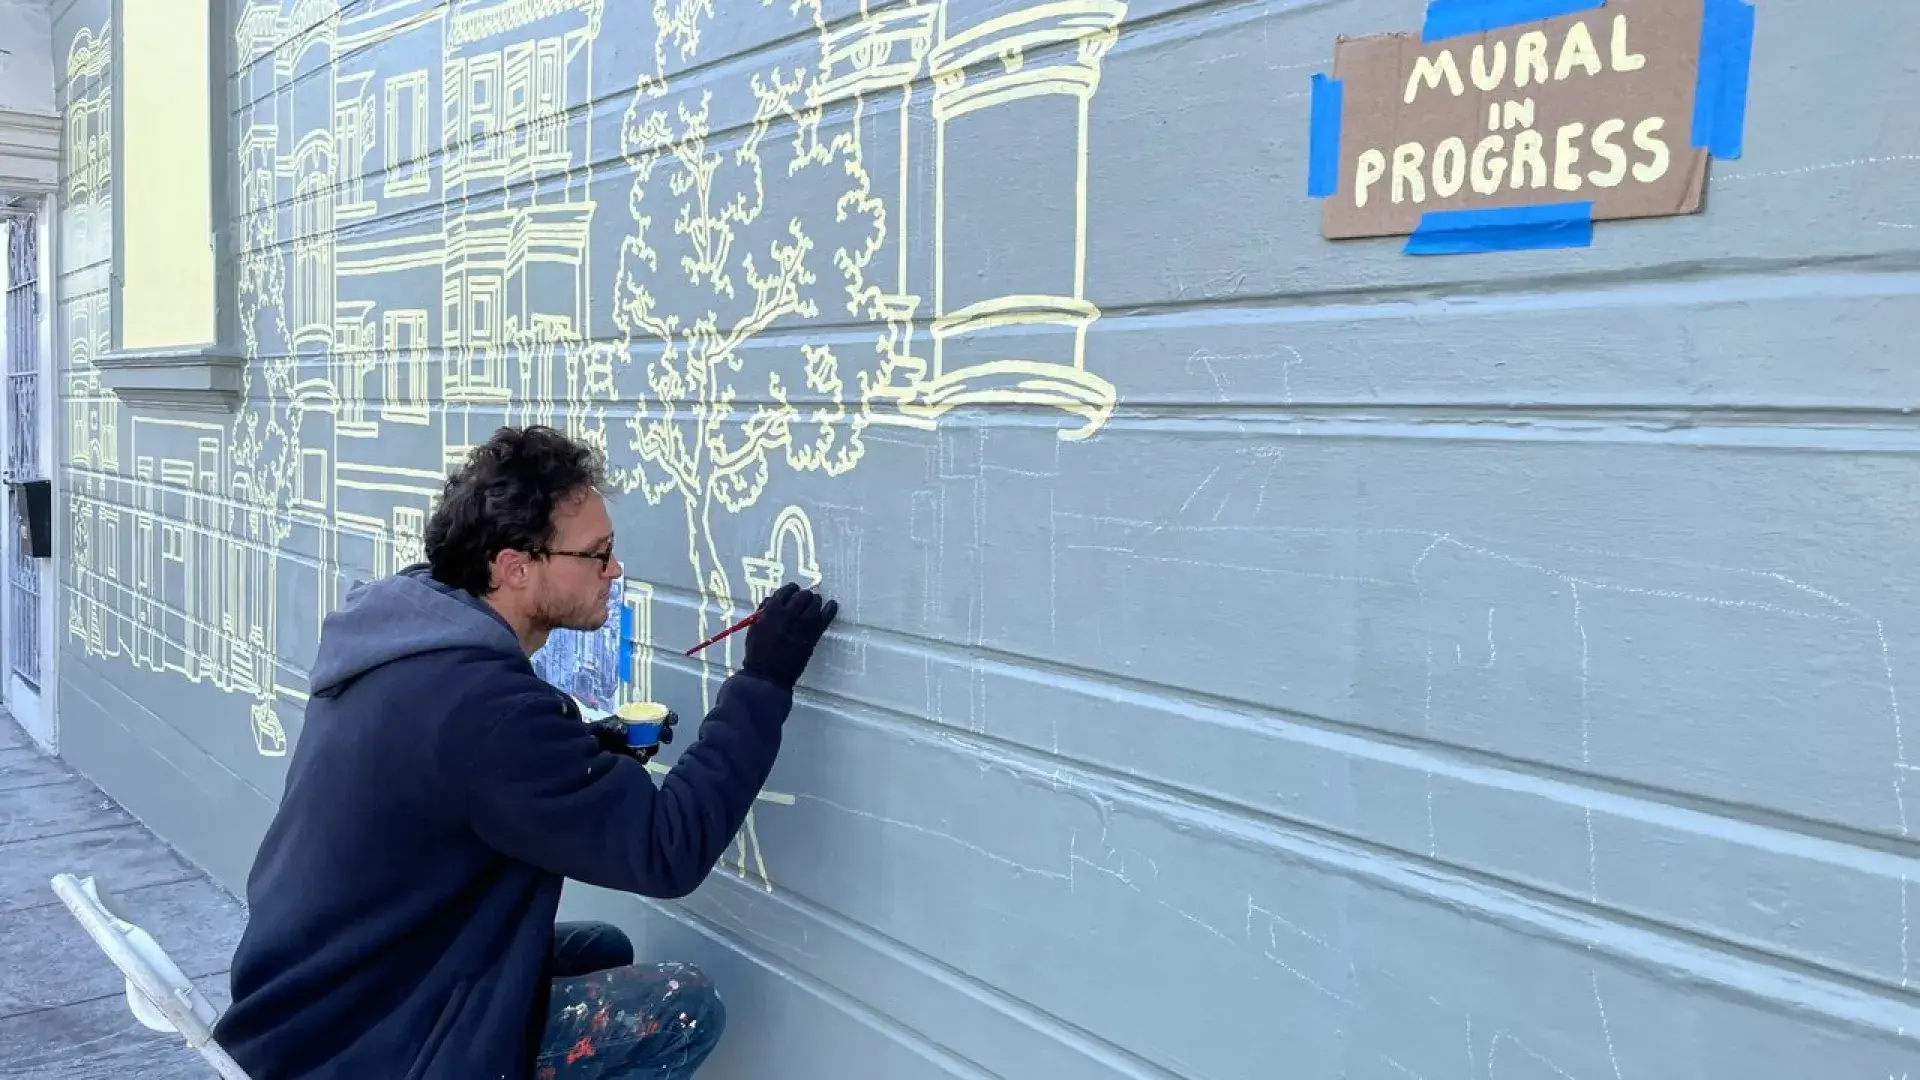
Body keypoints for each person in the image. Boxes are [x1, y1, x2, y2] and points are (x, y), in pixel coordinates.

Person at [212, 425, 838, 1080]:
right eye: (597, 555)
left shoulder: (409, 642)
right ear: (515, 568)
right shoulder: (486, 710)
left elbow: (470, 778)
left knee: (601, 947)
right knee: (684, 1006)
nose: (614, 570)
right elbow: (667, 850)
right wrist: (765, 680)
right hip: (364, 1048)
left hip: (311, 1005)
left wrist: (586, 746)